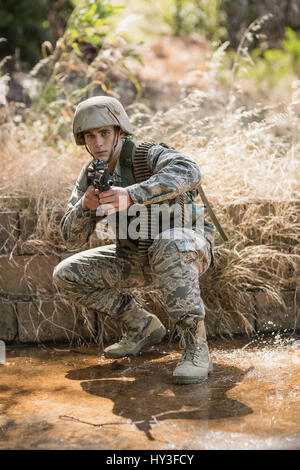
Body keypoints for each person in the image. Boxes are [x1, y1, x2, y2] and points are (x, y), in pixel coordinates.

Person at [53, 95, 216, 385]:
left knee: (170, 242)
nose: (98, 143)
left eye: (105, 133)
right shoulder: (93, 174)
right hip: (138, 257)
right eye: (90, 136)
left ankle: (196, 348)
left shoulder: (145, 154)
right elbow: (70, 239)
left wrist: (131, 194)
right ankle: (140, 326)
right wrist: (86, 207)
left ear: (120, 132)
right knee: (66, 275)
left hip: (186, 250)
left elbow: (190, 170)